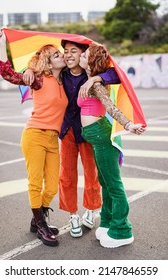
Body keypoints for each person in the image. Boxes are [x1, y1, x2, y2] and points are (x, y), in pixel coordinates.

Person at [23, 39, 121, 238]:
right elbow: (40, 65)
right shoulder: (62, 74)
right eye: (65, 51)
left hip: (88, 131)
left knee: (92, 174)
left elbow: (116, 74)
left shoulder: (93, 74)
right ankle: (72, 215)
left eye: (73, 51)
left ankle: (92, 210)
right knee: (66, 176)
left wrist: (94, 79)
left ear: (83, 55)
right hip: (66, 131)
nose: (67, 55)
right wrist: (29, 69)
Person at [0, 30, 68, 247]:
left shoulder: (65, 80)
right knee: (35, 184)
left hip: (53, 140)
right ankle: (41, 224)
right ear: (48, 61)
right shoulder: (38, 79)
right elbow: (7, 73)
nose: (62, 56)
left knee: (53, 186)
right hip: (34, 135)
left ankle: (37, 220)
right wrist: (1, 44)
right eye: (56, 55)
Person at [77, 42, 145, 248]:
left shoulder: (95, 84)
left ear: (91, 60)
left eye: (84, 54)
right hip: (96, 138)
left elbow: (110, 107)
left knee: (114, 185)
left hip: (102, 137)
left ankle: (122, 229)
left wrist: (128, 124)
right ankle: (107, 222)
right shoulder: (89, 80)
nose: (80, 55)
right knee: (105, 182)